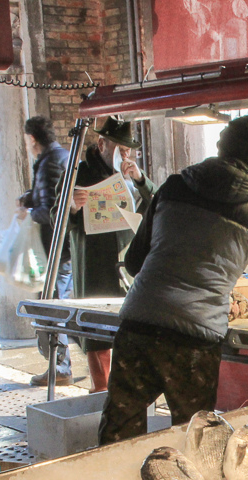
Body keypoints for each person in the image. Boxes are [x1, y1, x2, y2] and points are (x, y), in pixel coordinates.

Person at [97, 117, 248, 443]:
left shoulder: (173, 186)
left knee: (118, 432)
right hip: (192, 341)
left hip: (139, 324)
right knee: (193, 438)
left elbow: (135, 261)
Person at [66, 118, 155, 393]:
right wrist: (71, 207)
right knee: (96, 332)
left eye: (128, 151)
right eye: (120, 149)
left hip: (127, 261)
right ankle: (101, 393)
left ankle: (129, 389)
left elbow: (157, 203)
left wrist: (140, 180)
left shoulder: (131, 174)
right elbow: (56, 218)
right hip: (94, 263)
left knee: (129, 329)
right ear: (102, 144)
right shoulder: (78, 172)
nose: (124, 155)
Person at [21, 116, 73, 386]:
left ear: (32, 138)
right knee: (54, 304)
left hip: (55, 249)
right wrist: (31, 197)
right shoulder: (57, 157)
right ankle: (60, 365)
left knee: (53, 307)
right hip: (57, 248)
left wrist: (31, 212)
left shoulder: (51, 162)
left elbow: (55, 211)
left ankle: (62, 368)